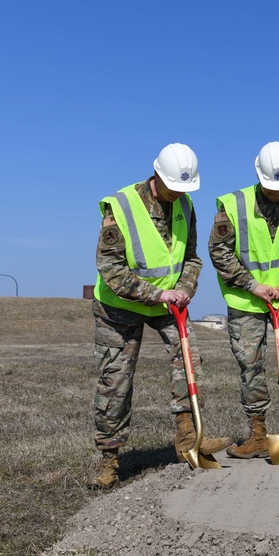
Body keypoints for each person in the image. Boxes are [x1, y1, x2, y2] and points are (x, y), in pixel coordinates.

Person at [87, 143, 232, 490]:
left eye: (185, 188)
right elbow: (111, 269)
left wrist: (184, 288)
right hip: (118, 308)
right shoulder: (119, 207)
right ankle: (109, 461)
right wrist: (158, 294)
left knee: (188, 360)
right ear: (156, 175)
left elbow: (192, 257)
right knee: (115, 382)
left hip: (169, 305)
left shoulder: (185, 204)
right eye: (173, 187)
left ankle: (188, 438)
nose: (178, 194)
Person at [209, 141, 279, 459]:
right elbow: (218, 250)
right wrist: (251, 285)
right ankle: (258, 433)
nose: (276, 193)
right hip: (246, 300)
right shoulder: (232, 205)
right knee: (250, 365)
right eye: (271, 187)